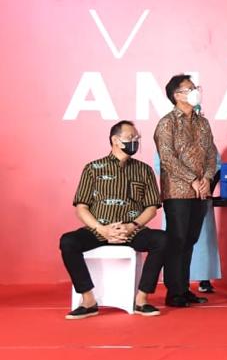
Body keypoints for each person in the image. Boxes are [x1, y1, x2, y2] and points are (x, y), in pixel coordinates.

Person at [60, 121, 167, 319]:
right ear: (115, 140)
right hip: (98, 230)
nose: (135, 141)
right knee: (68, 241)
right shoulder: (93, 168)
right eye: (131, 138)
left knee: (162, 240)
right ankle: (88, 300)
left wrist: (132, 226)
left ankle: (141, 299)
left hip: (132, 230)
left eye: (137, 138)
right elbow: (81, 207)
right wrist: (101, 229)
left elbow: (151, 208)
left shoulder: (144, 170)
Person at [154, 74, 218, 308]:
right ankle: (174, 292)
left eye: (195, 87)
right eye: (189, 89)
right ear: (177, 95)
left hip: (200, 191)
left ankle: (184, 288)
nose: (195, 92)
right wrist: (192, 179)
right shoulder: (167, 123)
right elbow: (167, 158)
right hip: (178, 191)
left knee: (190, 239)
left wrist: (207, 179)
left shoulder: (203, 123)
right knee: (177, 240)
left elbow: (211, 154)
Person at [154, 150, 222, 294]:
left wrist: (206, 182)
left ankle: (202, 279)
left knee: (200, 241)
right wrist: (190, 181)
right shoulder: (168, 139)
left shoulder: (204, 139)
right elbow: (164, 164)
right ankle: (177, 288)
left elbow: (216, 163)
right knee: (177, 241)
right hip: (178, 195)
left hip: (201, 195)